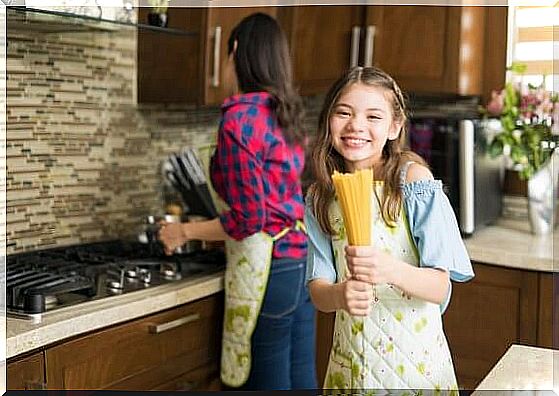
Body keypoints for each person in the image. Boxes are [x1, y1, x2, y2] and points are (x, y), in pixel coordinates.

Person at [158, 13, 317, 391]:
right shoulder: (287, 114)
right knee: (301, 378)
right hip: (303, 261)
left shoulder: (238, 120)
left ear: (233, 53)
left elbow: (249, 218)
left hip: (269, 269)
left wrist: (183, 230)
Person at [304, 66, 474, 392]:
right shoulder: (319, 196)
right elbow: (318, 291)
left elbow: (440, 287)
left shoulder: (413, 184)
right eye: (344, 113)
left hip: (415, 366)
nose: (356, 126)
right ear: (328, 118)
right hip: (349, 365)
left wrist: (390, 268)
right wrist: (339, 294)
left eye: (373, 117)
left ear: (395, 126)